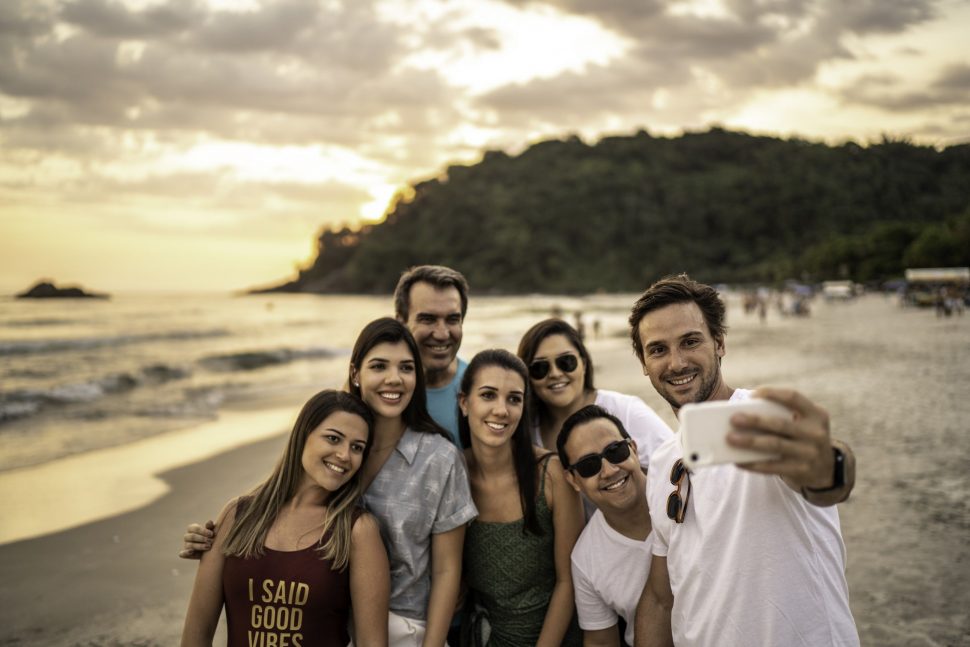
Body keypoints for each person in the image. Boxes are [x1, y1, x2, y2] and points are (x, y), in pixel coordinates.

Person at [183, 318, 478, 647]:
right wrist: (217, 538)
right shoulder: (335, 449)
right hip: (322, 617)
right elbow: (291, 517)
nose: (394, 379)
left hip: (401, 629)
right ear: (356, 373)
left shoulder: (439, 457)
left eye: (407, 368)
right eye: (379, 366)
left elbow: (446, 571)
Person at [628, 274, 859, 647]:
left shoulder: (764, 421)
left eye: (690, 342)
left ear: (719, 344)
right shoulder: (662, 463)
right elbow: (660, 598)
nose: (676, 362)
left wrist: (828, 463)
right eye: (658, 350)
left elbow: (826, 478)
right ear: (644, 363)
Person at [180, 389, 389, 647]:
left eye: (357, 447)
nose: (345, 455)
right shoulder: (237, 516)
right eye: (334, 439)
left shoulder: (357, 530)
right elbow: (197, 634)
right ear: (303, 435)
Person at [457, 349, 584, 647]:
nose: (502, 410)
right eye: (488, 395)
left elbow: (569, 581)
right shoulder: (453, 473)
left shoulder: (551, 474)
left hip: (556, 637)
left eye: (514, 399)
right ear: (465, 403)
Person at [516, 319, 672, 484]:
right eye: (540, 368)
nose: (555, 373)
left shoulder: (624, 410)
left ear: (583, 363)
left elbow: (677, 466)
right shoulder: (525, 430)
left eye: (566, 362)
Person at [556, 405, 653, 647]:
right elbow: (600, 641)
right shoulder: (585, 559)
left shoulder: (687, 490)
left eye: (615, 451)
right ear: (573, 480)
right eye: (589, 465)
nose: (609, 470)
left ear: (633, 449)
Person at [393, 265, 471, 446]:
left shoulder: (480, 389)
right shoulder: (377, 389)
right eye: (428, 319)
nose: (442, 334)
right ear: (401, 323)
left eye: (452, 319)